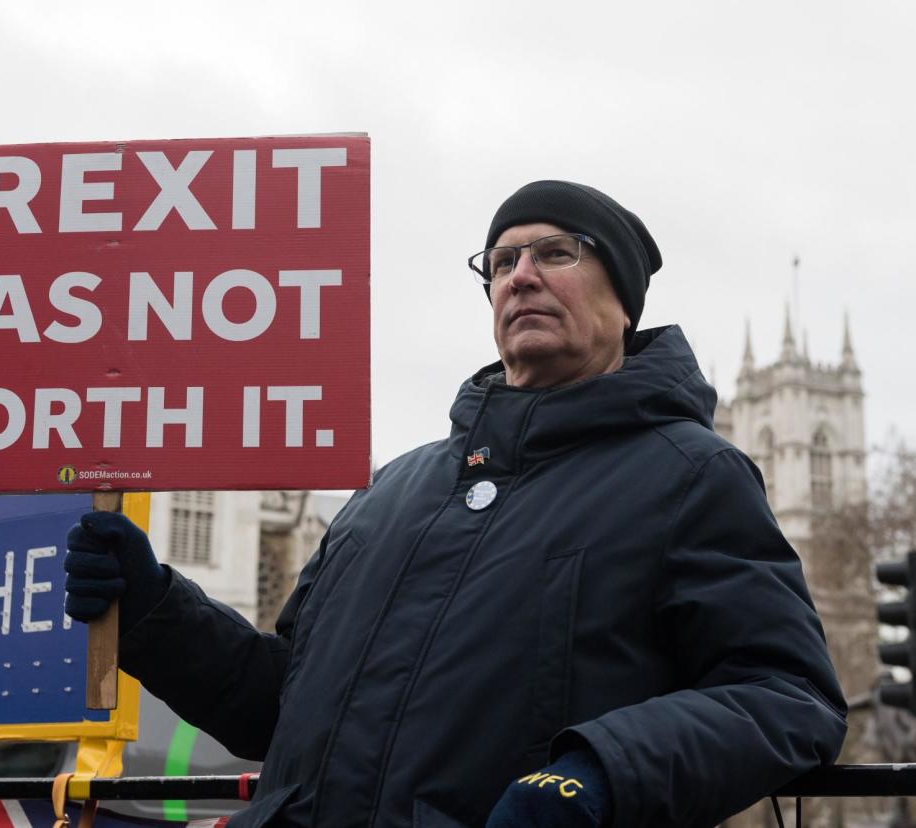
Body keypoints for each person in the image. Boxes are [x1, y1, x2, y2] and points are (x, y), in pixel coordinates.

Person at [64, 180, 847, 827]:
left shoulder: (691, 475)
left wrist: (597, 774)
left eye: (555, 253)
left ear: (624, 299)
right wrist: (156, 613)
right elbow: (282, 708)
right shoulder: (392, 490)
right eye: (502, 260)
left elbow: (787, 698)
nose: (521, 275)